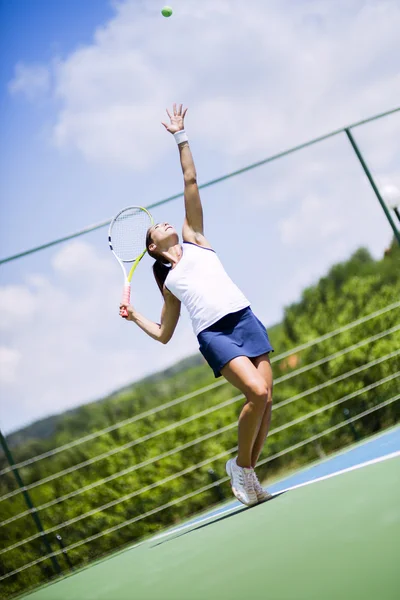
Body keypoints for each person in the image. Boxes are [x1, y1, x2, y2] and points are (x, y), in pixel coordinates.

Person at [120, 104, 274, 506]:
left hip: (244, 317)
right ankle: (240, 468)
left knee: (267, 402)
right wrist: (135, 315)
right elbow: (165, 334)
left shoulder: (197, 239)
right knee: (256, 394)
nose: (167, 223)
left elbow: (190, 179)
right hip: (215, 334)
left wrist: (180, 136)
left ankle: (249, 474)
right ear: (152, 247)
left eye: (167, 221)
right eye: (158, 228)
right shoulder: (169, 282)